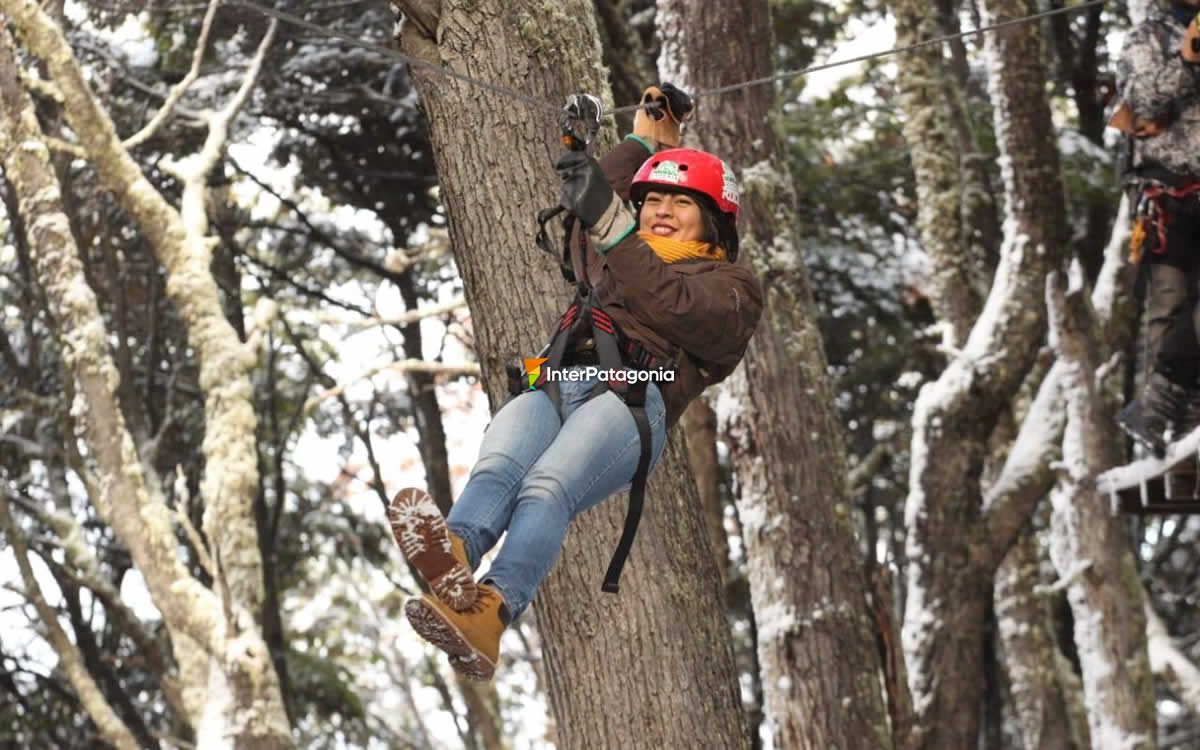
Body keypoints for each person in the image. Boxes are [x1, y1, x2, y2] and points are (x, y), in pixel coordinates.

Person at [390, 84, 763, 681]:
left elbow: (674, 305)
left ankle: (496, 607)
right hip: (559, 374)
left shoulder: (731, 287)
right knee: (499, 468)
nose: (661, 209)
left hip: (637, 393)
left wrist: (616, 227)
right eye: (653, 199)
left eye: (680, 202)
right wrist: (644, 139)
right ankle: (454, 560)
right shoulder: (615, 255)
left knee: (545, 487)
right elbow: (591, 212)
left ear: (713, 220)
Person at [1113, 0, 1200, 456]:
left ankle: (1177, 412)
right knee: (1169, 308)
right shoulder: (1148, 37)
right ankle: (1163, 424)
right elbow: (1142, 101)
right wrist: (1186, 59)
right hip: (1168, 192)